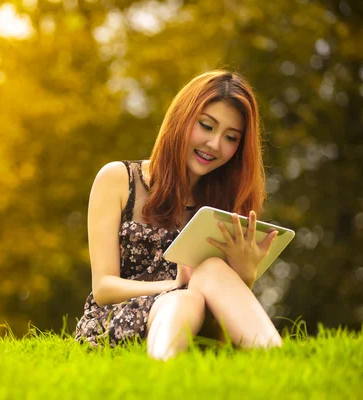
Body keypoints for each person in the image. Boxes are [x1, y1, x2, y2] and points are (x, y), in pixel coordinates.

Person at [74, 69, 283, 360]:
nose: (214, 145)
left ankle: (278, 360)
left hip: (199, 330)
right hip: (119, 319)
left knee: (212, 271)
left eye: (231, 137)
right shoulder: (119, 179)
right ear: (182, 118)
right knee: (185, 298)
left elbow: (222, 324)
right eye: (206, 126)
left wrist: (246, 275)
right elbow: (103, 288)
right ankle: (162, 375)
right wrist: (174, 286)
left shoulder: (223, 204)